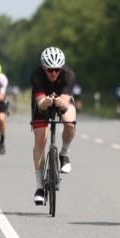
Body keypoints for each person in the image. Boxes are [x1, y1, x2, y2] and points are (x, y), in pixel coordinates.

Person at [31, 47, 78, 205]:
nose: (53, 73)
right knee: (39, 140)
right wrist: (47, 102)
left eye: (57, 70)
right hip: (43, 102)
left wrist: (59, 102)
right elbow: (40, 104)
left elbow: (65, 105)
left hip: (62, 100)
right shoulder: (36, 75)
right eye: (50, 70)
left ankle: (64, 154)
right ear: (44, 68)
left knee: (70, 124)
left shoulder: (69, 75)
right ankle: (39, 188)